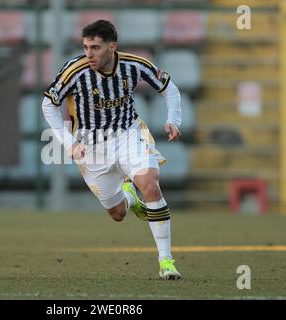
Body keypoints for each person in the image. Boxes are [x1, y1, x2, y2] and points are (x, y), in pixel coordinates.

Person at [42, 20, 182, 280]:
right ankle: (129, 197)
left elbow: (169, 89)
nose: (89, 54)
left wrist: (174, 119)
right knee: (118, 213)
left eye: (95, 47)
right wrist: (68, 143)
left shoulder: (134, 65)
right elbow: (48, 104)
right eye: (85, 47)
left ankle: (166, 261)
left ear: (112, 46)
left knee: (150, 184)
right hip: (91, 146)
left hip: (129, 134)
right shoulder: (75, 71)